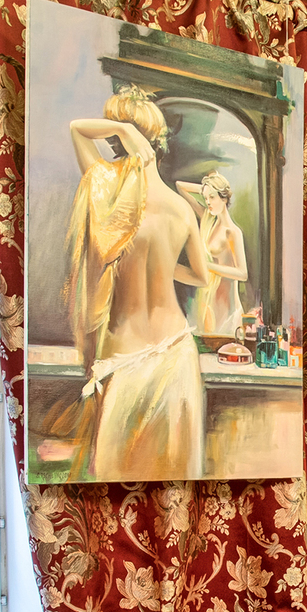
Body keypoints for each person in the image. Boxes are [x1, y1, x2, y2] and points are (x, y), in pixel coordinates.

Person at [60, 86, 210, 480]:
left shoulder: (107, 194)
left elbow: (76, 129)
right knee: (176, 482)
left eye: (115, 136)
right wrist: (164, 266)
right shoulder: (182, 209)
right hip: (177, 351)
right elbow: (200, 276)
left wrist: (122, 130)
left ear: (116, 140)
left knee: (112, 483)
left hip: (125, 357)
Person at [177, 170, 248, 336]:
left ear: (224, 198)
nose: (208, 202)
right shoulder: (208, 219)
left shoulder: (233, 232)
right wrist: (207, 187)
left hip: (228, 309)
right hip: (208, 306)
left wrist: (207, 266)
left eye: (212, 197)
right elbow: (180, 186)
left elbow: (242, 273)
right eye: (205, 198)